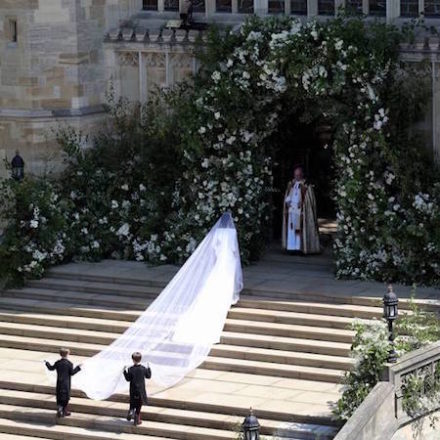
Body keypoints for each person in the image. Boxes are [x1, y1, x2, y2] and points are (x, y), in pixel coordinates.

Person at [282, 165, 320, 254]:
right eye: (295, 175)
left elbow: (309, 201)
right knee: (292, 230)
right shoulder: (290, 184)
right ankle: (291, 248)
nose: (297, 177)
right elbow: (287, 195)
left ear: (302, 175)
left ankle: (300, 248)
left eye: (298, 175)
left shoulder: (306, 186)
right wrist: (287, 202)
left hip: (301, 211)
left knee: (299, 230)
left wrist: (303, 204)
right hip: (292, 210)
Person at [45, 348, 81, 418]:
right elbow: (72, 373)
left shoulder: (58, 363)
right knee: (66, 397)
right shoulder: (69, 364)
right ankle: (64, 411)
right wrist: (78, 367)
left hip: (59, 382)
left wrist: (47, 363)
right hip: (66, 383)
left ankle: (60, 408)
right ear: (67, 354)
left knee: (59, 396)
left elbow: (51, 368)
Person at [123, 352, 152, 426]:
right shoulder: (143, 368)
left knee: (132, 403)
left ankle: (131, 411)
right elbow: (148, 376)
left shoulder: (130, 369)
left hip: (133, 390)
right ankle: (136, 420)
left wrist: (124, 371)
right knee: (139, 405)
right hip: (141, 391)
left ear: (133, 360)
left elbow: (128, 379)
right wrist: (149, 368)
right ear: (140, 359)